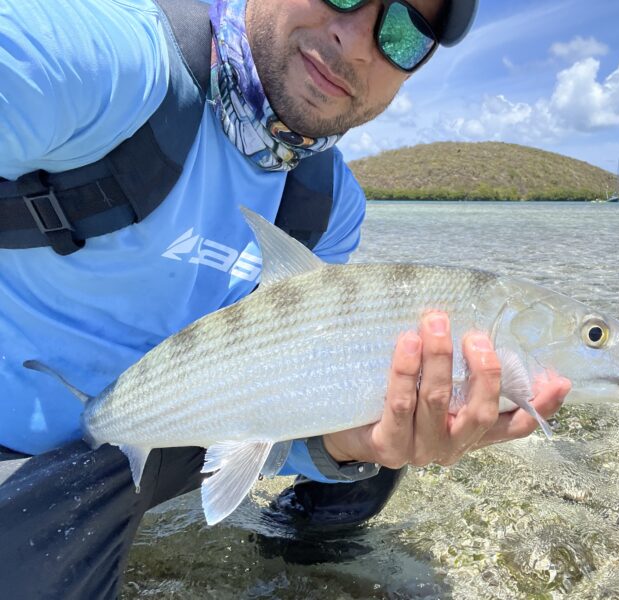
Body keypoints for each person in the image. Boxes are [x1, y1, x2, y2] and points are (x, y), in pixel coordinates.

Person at [0, 0, 570, 597]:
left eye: (403, 34)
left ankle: (292, 562)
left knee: (373, 450)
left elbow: (289, 382)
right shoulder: (107, 64)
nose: (354, 42)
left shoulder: (328, 201)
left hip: (177, 423)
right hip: (27, 450)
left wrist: (349, 446)